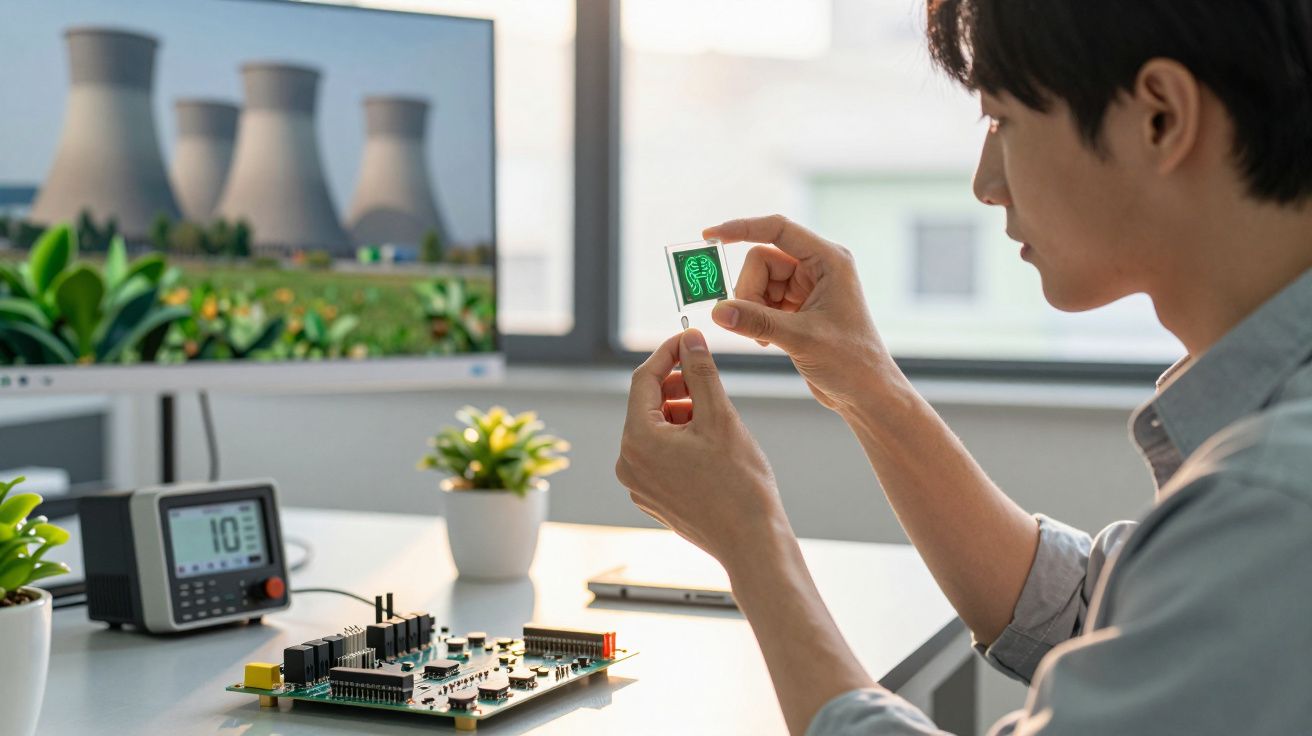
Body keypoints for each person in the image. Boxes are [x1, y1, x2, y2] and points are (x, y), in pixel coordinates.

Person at [615, 1, 1312, 733]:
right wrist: (867, 386)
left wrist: (750, 539)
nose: (985, 183)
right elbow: (1096, 614)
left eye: (1003, 121)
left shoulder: (1275, 502)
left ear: (1160, 118)